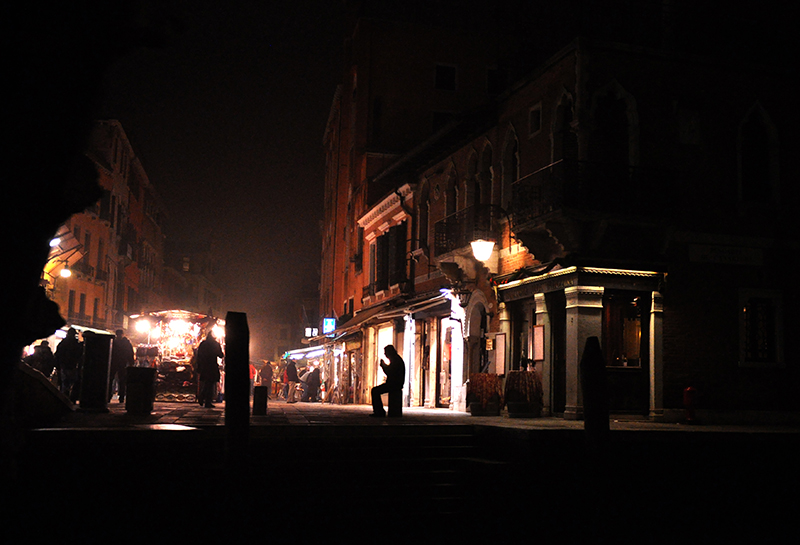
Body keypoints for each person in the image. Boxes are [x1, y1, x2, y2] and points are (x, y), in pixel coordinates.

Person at [370, 345, 405, 417]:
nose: (385, 354)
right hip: (395, 383)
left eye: (386, 353)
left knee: (375, 391)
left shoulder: (396, 360)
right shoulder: (396, 359)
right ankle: (379, 411)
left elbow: (390, 372)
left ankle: (379, 411)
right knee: (375, 390)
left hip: (394, 384)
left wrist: (383, 365)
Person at [195, 332, 224, 408]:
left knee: (207, 383)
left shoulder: (203, 344)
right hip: (212, 366)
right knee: (210, 384)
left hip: (204, 366)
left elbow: (198, 356)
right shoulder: (215, 344)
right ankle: (206, 400)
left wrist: (198, 366)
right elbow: (220, 355)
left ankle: (203, 397)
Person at [55, 328, 83, 401]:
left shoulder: (63, 343)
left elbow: (58, 355)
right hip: (73, 366)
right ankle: (70, 399)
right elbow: (79, 355)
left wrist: (57, 366)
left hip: (63, 366)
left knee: (64, 383)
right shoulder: (76, 344)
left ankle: (64, 398)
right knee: (72, 383)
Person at [109, 329, 134, 403]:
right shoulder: (126, 343)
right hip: (122, 363)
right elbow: (130, 353)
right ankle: (121, 396)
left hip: (115, 363)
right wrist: (130, 362)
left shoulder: (114, 342)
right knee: (121, 380)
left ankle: (110, 396)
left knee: (113, 379)